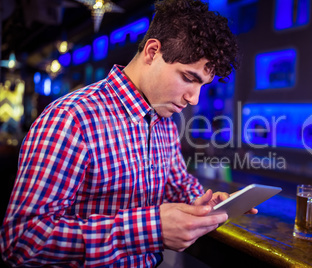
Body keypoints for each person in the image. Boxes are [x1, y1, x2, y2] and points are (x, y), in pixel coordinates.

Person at [0, 0, 257, 267]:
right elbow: (21, 242)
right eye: (188, 78)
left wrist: (206, 202)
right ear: (152, 51)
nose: (194, 99)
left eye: (202, 84)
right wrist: (149, 229)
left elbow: (177, 183)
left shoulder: (164, 120)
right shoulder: (71, 118)